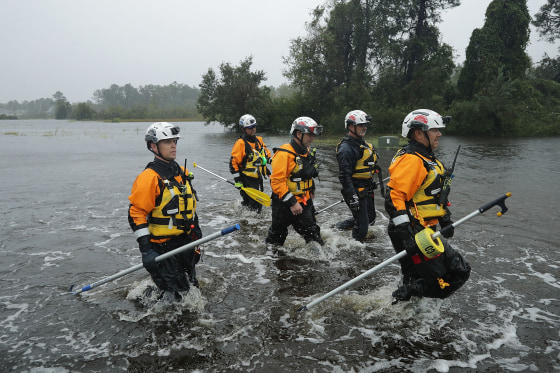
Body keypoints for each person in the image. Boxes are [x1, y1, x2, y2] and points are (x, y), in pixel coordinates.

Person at [384, 109, 471, 303]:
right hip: (414, 231)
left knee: (417, 275)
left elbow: (428, 195)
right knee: (452, 277)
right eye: (434, 130)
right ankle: (407, 294)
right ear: (418, 133)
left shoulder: (426, 158)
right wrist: (408, 236)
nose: (439, 134)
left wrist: (444, 217)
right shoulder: (412, 160)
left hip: (423, 229)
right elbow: (393, 198)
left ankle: (403, 306)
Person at [128, 122, 202, 297]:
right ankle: (146, 299)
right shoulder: (149, 178)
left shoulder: (182, 172)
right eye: (167, 142)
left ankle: (153, 293)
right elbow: (136, 214)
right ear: (153, 146)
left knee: (192, 288)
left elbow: (190, 208)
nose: (173, 145)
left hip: (186, 242)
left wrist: (197, 238)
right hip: (162, 248)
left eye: (174, 141)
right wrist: (146, 250)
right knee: (177, 296)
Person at [265, 116, 325, 248]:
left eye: (313, 135)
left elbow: (306, 175)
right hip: (283, 204)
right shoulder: (284, 154)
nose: (312, 138)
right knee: (276, 239)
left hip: (304, 202)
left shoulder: (307, 152)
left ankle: (319, 263)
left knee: (314, 236)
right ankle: (269, 261)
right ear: (298, 133)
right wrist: (292, 203)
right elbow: (276, 182)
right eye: (309, 134)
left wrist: (311, 190)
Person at [335, 109, 380, 241]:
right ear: (351, 126)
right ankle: (355, 249)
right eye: (361, 125)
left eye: (365, 125)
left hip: (366, 189)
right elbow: (344, 176)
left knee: (371, 218)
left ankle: (337, 228)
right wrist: (352, 196)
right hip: (355, 191)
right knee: (362, 227)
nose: (364, 128)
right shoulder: (346, 149)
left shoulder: (363, 145)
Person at [229, 114, 272, 213]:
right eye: (250, 128)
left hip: (257, 177)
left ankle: (246, 220)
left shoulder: (259, 140)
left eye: (254, 127)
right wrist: (238, 180)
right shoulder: (240, 144)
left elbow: (266, 153)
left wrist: (271, 160)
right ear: (244, 129)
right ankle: (252, 223)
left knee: (250, 205)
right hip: (245, 178)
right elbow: (233, 163)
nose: (253, 129)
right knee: (256, 206)